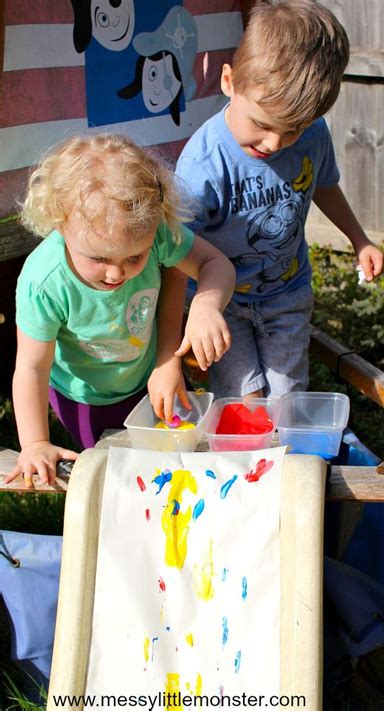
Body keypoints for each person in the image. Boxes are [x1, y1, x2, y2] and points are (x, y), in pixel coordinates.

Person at [175, 0, 384, 399]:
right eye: (262, 124)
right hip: (224, 304)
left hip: (287, 294)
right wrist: (201, 307)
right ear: (228, 81)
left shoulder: (313, 134)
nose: (274, 143)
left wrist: (359, 239)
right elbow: (175, 245)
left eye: (291, 131)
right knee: (243, 400)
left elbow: (323, 184)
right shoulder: (204, 163)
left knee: (288, 399)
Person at [6, 133, 235, 486]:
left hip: (148, 378)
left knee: (180, 466)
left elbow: (214, 263)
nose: (117, 273)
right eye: (98, 258)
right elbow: (31, 369)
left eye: (135, 258)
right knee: (117, 476)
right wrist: (35, 443)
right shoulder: (44, 282)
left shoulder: (156, 234)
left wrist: (205, 306)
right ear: (60, 221)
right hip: (83, 396)